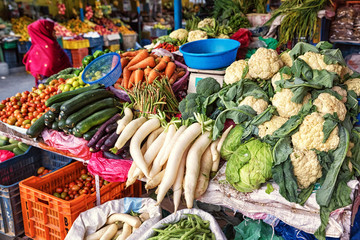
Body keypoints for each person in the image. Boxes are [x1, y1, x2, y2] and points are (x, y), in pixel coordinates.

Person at [23, 19, 72, 86]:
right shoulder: (48, 46)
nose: (54, 31)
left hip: (58, 81)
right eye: (52, 29)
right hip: (54, 83)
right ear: (44, 31)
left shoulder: (46, 45)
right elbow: (49, 65)